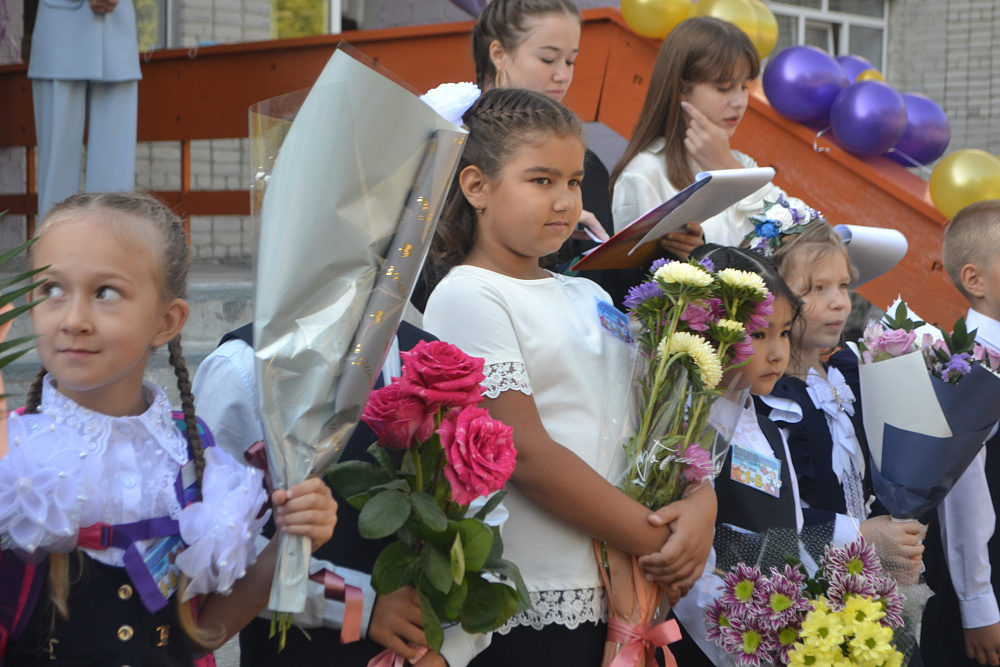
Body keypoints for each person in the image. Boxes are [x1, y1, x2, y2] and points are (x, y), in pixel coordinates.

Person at [422, 87, 716, 666]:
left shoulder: (585, 293)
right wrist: (659, 539)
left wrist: (700, 501)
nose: (564, 200)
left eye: (575, 181)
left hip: (623, 585)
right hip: (536, 598)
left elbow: (652, 416)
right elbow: (525, 455)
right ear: (477, 186)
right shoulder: (467, 294)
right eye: (541, 180)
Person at [0, 192, 338, 665]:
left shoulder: (187, 454)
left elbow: (202, 631)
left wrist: (290, 539)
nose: (73, 320)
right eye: (52, 289)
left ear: (167, 321)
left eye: (106, 293)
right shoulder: (10, 453)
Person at [193, 320, 492, 667]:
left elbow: (484, 526)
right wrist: (356, 605)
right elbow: (212, 550)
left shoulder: (438, 363)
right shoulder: (244, 365)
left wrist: (449, 653)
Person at [743, 205, 925, 587]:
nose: (840, 302)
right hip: (804, 586)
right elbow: (766, 516)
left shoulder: (852, 375)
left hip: (868, 580)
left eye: (843, 285)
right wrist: (858, 536)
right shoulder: (766, 400)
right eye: (815, 289)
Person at [648, 245, 805, 665]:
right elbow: (685, 568)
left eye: (784, 332)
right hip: (713, 643)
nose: (777, 352)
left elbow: (792, 532)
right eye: (759, 335)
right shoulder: (683, 433)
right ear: (710, 334)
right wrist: (748, 638)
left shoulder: (769, 429)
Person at [610, 16, 783, 250]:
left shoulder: (740, 163)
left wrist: (726, 166)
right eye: (723, 88)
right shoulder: (644, 174)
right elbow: (640, 270)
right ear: (682, 89)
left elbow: (797, 228)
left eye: (745, 86)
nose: (740, 101)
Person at [921, 199, 1000, 667]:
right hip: (985, 577)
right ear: (975, 279)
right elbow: (963, 495)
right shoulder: (966, 366)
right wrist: (978, 602)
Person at [28, 0, 140, 218]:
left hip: (118, 30)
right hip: (60, 30)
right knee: (57, 181)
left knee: (116, 187)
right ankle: (55, 241)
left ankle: (112, 240)